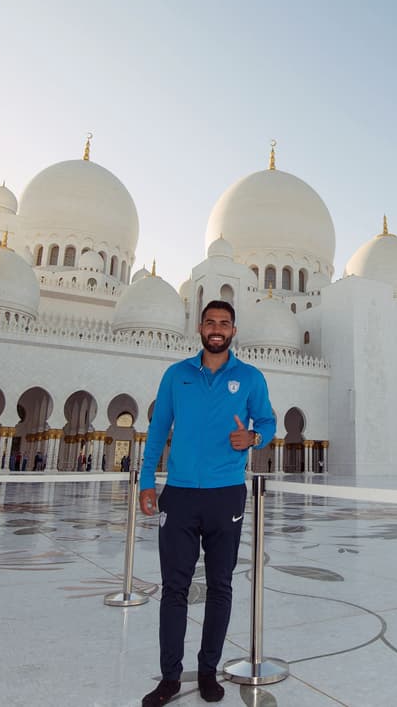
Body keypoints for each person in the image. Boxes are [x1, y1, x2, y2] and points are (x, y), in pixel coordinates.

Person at [139, 301, 275, 707]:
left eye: (224, 324)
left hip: (226, 492)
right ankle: (169, 678)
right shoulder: (176, 375)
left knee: (220, 585)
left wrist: (252, 438)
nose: (217, 329)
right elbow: (158, 427)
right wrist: (148, 481)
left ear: (234, 330)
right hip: (179, 493)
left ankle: (210, 672)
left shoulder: (249, 378)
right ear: (200, 327)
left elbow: (267, 422)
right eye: (210, 322)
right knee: (174, 589)